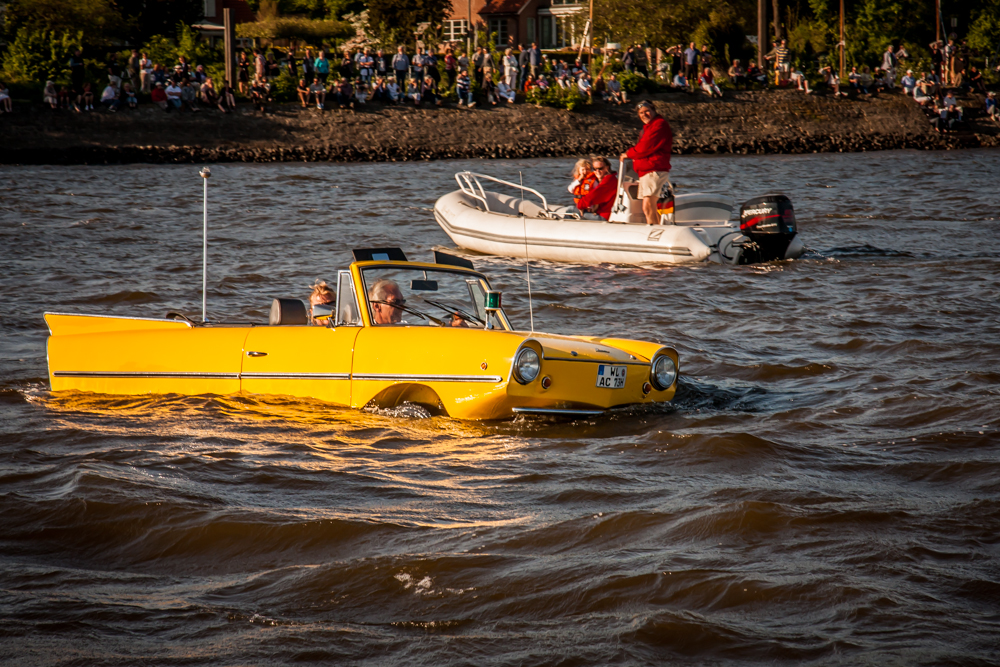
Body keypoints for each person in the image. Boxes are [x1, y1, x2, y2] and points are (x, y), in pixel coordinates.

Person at [621, 100, 672, 226]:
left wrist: (628, 154)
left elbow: (644, 147)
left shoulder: (659, 125)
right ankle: (653, 227)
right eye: (641, 113)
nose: (644, 114)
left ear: (654, 110)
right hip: (645, 171)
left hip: (654, 170)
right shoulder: (648, 127)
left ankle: (654, 230)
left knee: (648, 205)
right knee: (648, 206)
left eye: (647, 111)